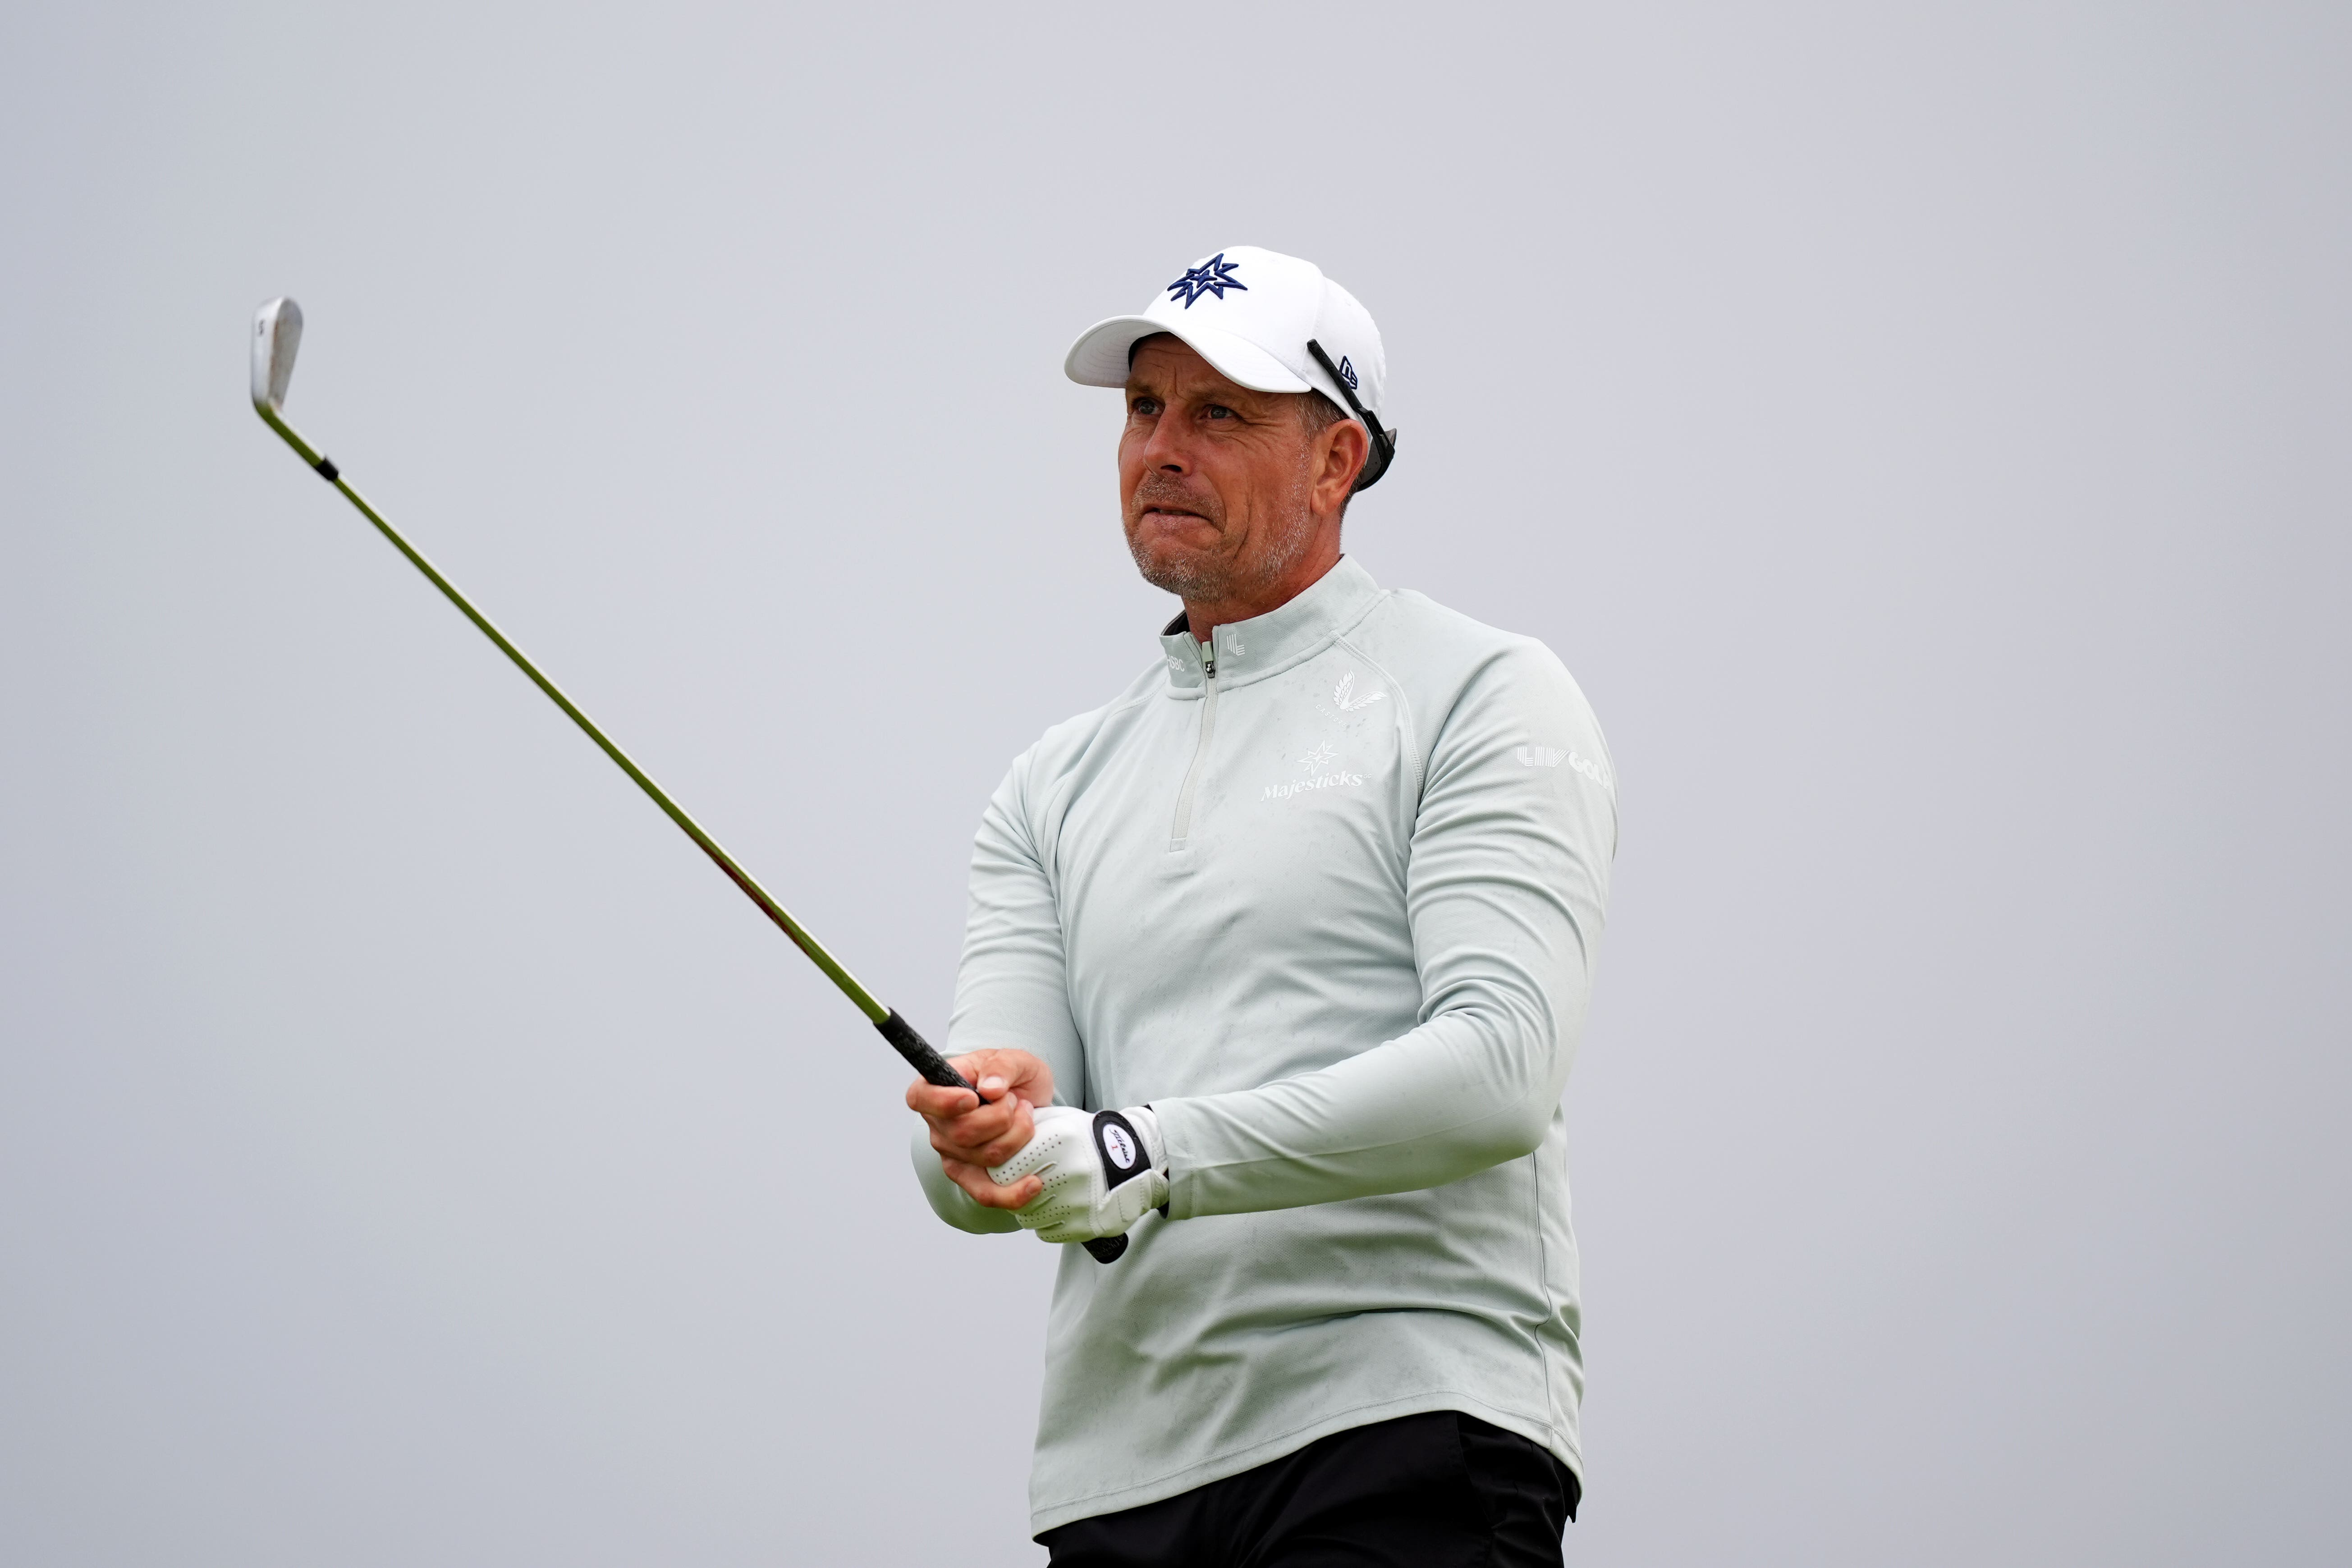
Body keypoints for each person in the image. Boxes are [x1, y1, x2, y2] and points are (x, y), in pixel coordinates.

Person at [905, 246, 1617, 1566]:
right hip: (1118, 1480)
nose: (1161, 449)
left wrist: (1141, 1152)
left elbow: (1498, 1072)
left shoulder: (1482, 691)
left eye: (1219, 414)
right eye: (1141, 410)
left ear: (1336, 460)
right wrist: (976, 1129)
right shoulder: (1049, 783)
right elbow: (989, 1150)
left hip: (1407, 1423)